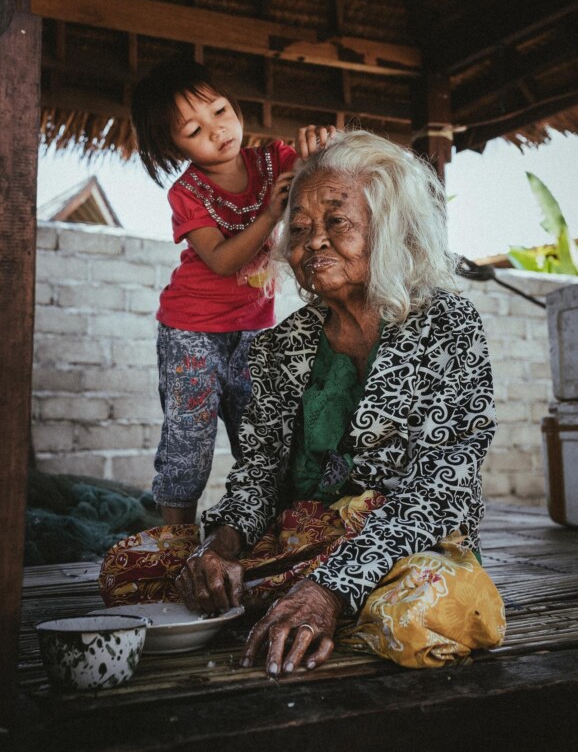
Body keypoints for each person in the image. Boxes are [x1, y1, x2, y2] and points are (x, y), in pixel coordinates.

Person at [100, 130, 505, 671]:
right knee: (132, 568)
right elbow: (259, 473)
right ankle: (293, 605)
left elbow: (442, 485)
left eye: (336, 222)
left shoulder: (448, 323)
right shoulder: (277, 345)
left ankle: (315, 608)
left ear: (389, 229)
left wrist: (329, 589)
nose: (313, 241)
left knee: (421, 612)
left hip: (407, 548)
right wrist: (219, 547)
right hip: (298, 543)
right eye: (300, 228)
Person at [130, 53, 334, 524]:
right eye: (194, 130)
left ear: (234, 106)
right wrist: (267, 214)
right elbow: (221, 261)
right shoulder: (186, 193)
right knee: (190, 438)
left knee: (262, 436)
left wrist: (323, 147)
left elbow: (326, 169)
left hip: (253, 332)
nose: (217, 130)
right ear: (175, 147)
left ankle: (261, 532)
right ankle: (174, 542)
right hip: (190, 331)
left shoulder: (276, 160)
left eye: (219, 111)